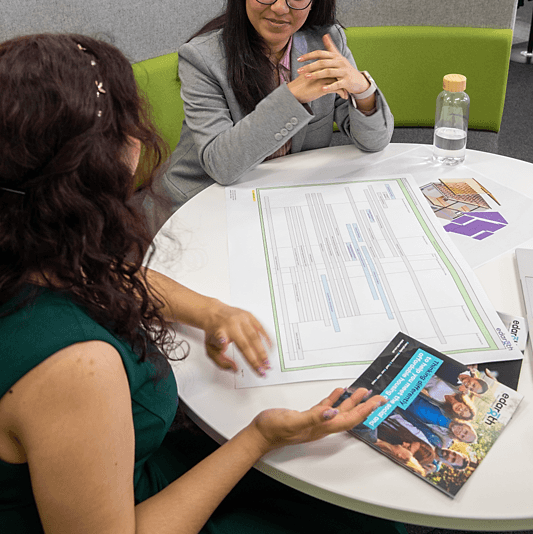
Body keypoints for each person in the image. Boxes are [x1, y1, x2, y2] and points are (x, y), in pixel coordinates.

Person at [0, 33, 402, 534]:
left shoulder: (27, 241)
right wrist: (258, 437)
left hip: (122, 464)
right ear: (95, 164)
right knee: (364, 512)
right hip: (137, 505)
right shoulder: (74, 367)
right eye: (127, 123)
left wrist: (210, 310)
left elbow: (106, 278)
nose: (139, 139)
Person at [158, 0, 394, 220]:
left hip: (280, 199)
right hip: (204, 202)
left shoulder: (326, 41)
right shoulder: (202, 58)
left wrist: (362, 90)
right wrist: (292, 96)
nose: (281, 8)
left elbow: (374, 141)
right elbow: (221, 165)